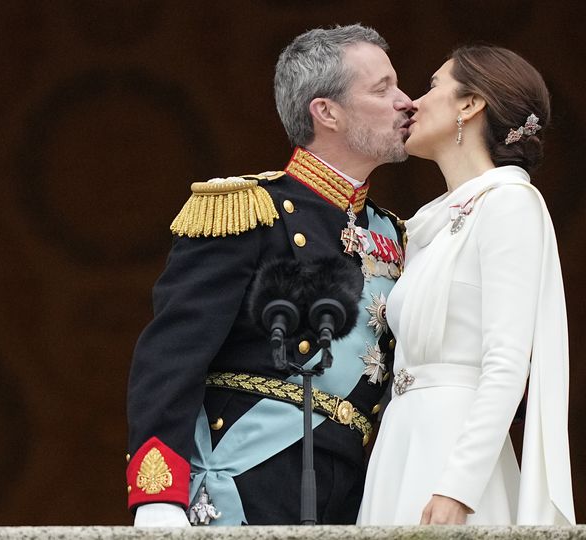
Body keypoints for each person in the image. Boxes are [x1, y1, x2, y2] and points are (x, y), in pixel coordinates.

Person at [125, 24, 413, 526]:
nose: (406, 102)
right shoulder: (248, 210)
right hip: (245, 480)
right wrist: (158, 495)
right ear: (327, 112)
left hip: (353, 492)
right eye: (382, 88)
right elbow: (170, 357)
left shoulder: (393, 231)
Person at [356, 45, 575, 525]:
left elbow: (506, 364)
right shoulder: (425, 226)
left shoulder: (510, 204)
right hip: (400, 440)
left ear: (470, 105)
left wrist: (458, 488)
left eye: (433, 85)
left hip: (453, 451)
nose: (413, 101)